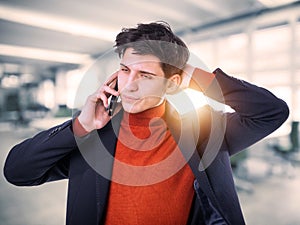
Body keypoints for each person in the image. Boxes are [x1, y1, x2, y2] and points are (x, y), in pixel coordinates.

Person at [4, 21, 289, 225]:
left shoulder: (205, 133)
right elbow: (17, 171)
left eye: (146, 76)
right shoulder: (94, 139)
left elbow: (271, 112)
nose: (129, 85)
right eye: (126, 70)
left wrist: (190, 74)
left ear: (174, 83)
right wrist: (80, 125)